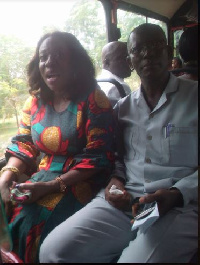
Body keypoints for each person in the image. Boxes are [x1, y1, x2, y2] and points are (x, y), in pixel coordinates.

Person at [39, 24, 198, 263]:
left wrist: (177, 193)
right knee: (53, 251)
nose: (147, 54)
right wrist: (116, 180)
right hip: (126, 202)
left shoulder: (194, 96)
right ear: (130, 61)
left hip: (180, 205)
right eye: (138, 50)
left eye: (155, 47)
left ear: (169, 52)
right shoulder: (123, 107)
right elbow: (118, 158)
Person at [0, 31, 115, 263]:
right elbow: (24, 144)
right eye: (44, 57)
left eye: (58, 55)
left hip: (80, 180)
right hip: (42, 176)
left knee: (33, 223)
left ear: (75, 62)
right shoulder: (34, 101)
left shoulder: (93, 99)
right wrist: (6, 176)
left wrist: (53, 185)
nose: (49, 63)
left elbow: (99, 156)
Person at [97, 41, 132, 106]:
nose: (129, 61)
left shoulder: (99, 81)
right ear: (107, 63)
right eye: (123, 58)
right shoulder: (118, 87)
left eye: (129, 57)